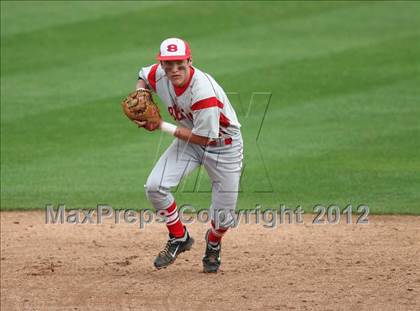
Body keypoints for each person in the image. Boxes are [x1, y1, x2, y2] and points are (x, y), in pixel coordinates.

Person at [135, 38, 243, 273]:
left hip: (224, 146)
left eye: (179, 63)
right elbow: (143, 75)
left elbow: (205, 138)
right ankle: (179, 237)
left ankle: (213, 242)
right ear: (162, 63)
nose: (174, 69)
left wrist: (161, 125)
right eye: (168, 63)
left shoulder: (203, 91)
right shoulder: (160, 74)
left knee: (224, 217)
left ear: (190, 61)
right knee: (155, 186)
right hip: (189, 141)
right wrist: (141, 95)